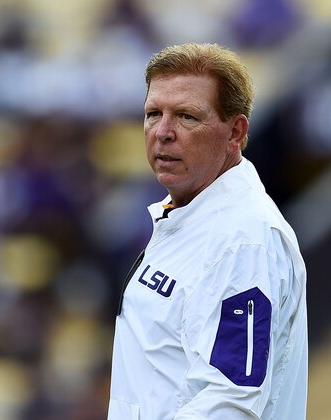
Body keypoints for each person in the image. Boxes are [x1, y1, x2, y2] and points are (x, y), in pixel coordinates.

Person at [107, 43, 308, 420]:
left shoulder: (243, 240)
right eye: (153, 114)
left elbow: (231, 402)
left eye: (186, 117)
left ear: (236, 131)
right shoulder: (192, 217)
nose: (163, 132)